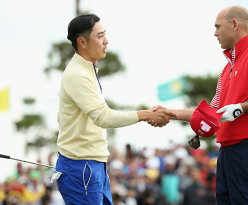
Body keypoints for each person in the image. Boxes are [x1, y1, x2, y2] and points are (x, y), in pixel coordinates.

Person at [150, 5, 248, 204]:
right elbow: (210, 114)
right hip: (228, 153)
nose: (215, 33)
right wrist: (169, 113)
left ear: (234, 24)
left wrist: (242, 108)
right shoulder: (227, 68)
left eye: (218, 27)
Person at [53, 14, 176, 205]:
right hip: (81, 166)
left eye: (105, 35)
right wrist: (146, 115)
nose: (106, 41)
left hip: (91, 164)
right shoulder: (78, 74)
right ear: (82, 42)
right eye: (100, 36)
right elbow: (103, 117)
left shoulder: (87, 69)